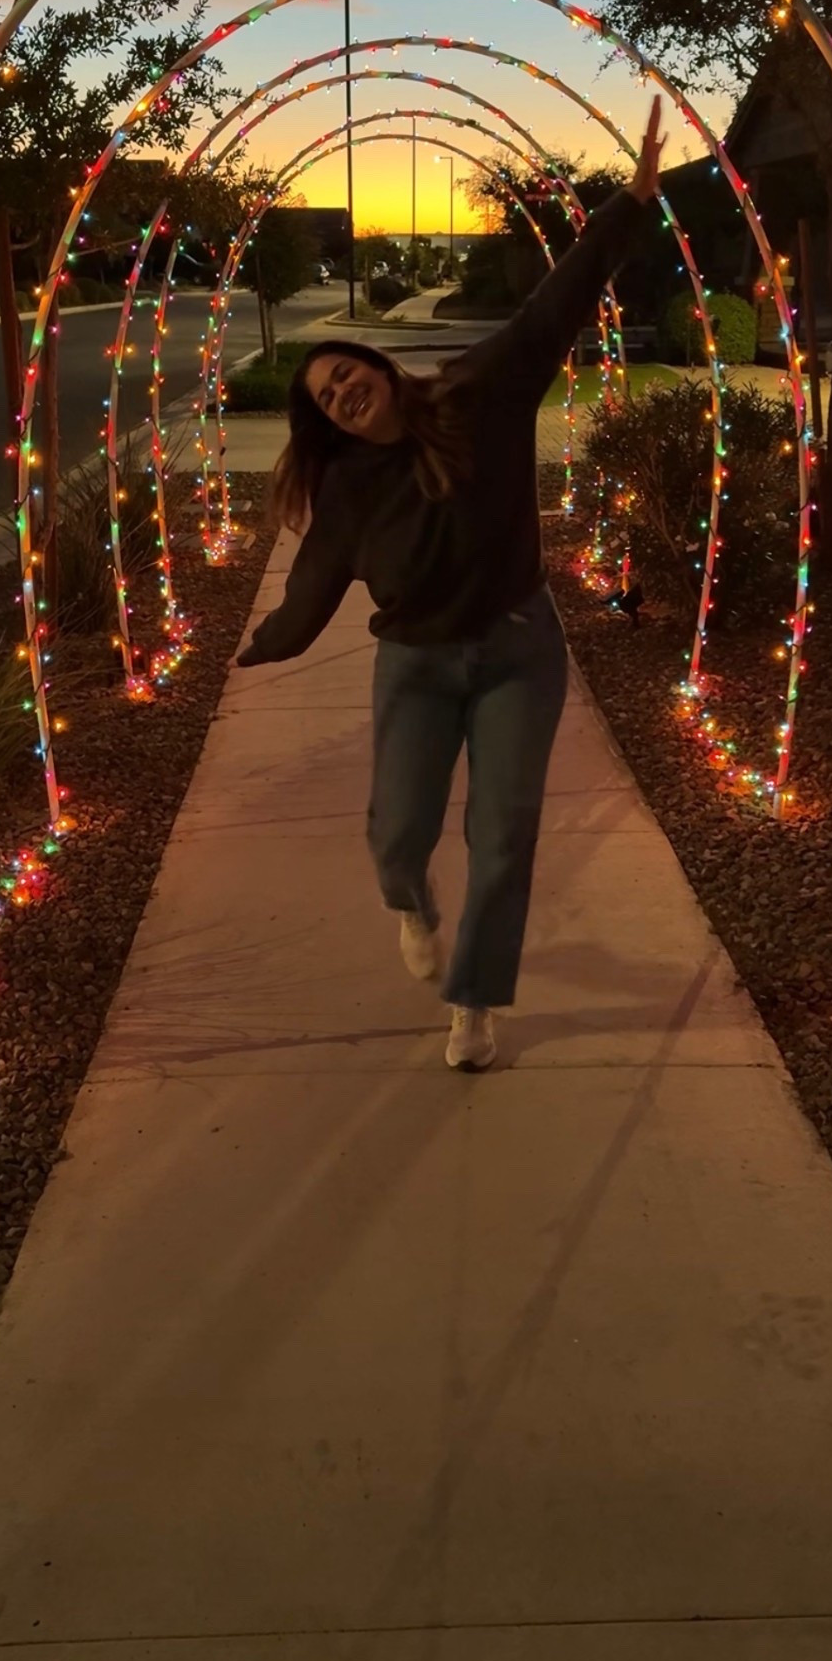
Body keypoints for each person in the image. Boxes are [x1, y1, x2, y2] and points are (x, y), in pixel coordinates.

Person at [236, 97, 666, 1071]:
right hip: (417, 661)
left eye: (348, 373)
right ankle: (413, 903)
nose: (344, 392)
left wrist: (629, 205)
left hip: (518, 644)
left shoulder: (483, 390)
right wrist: (271, 639)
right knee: (399, 834)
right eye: (327, 398)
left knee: (504, 829)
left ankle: (473, 1001)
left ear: (377, 368)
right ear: (330, 421)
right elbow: (314, 580)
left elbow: (558, 297)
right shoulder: (345, 486)